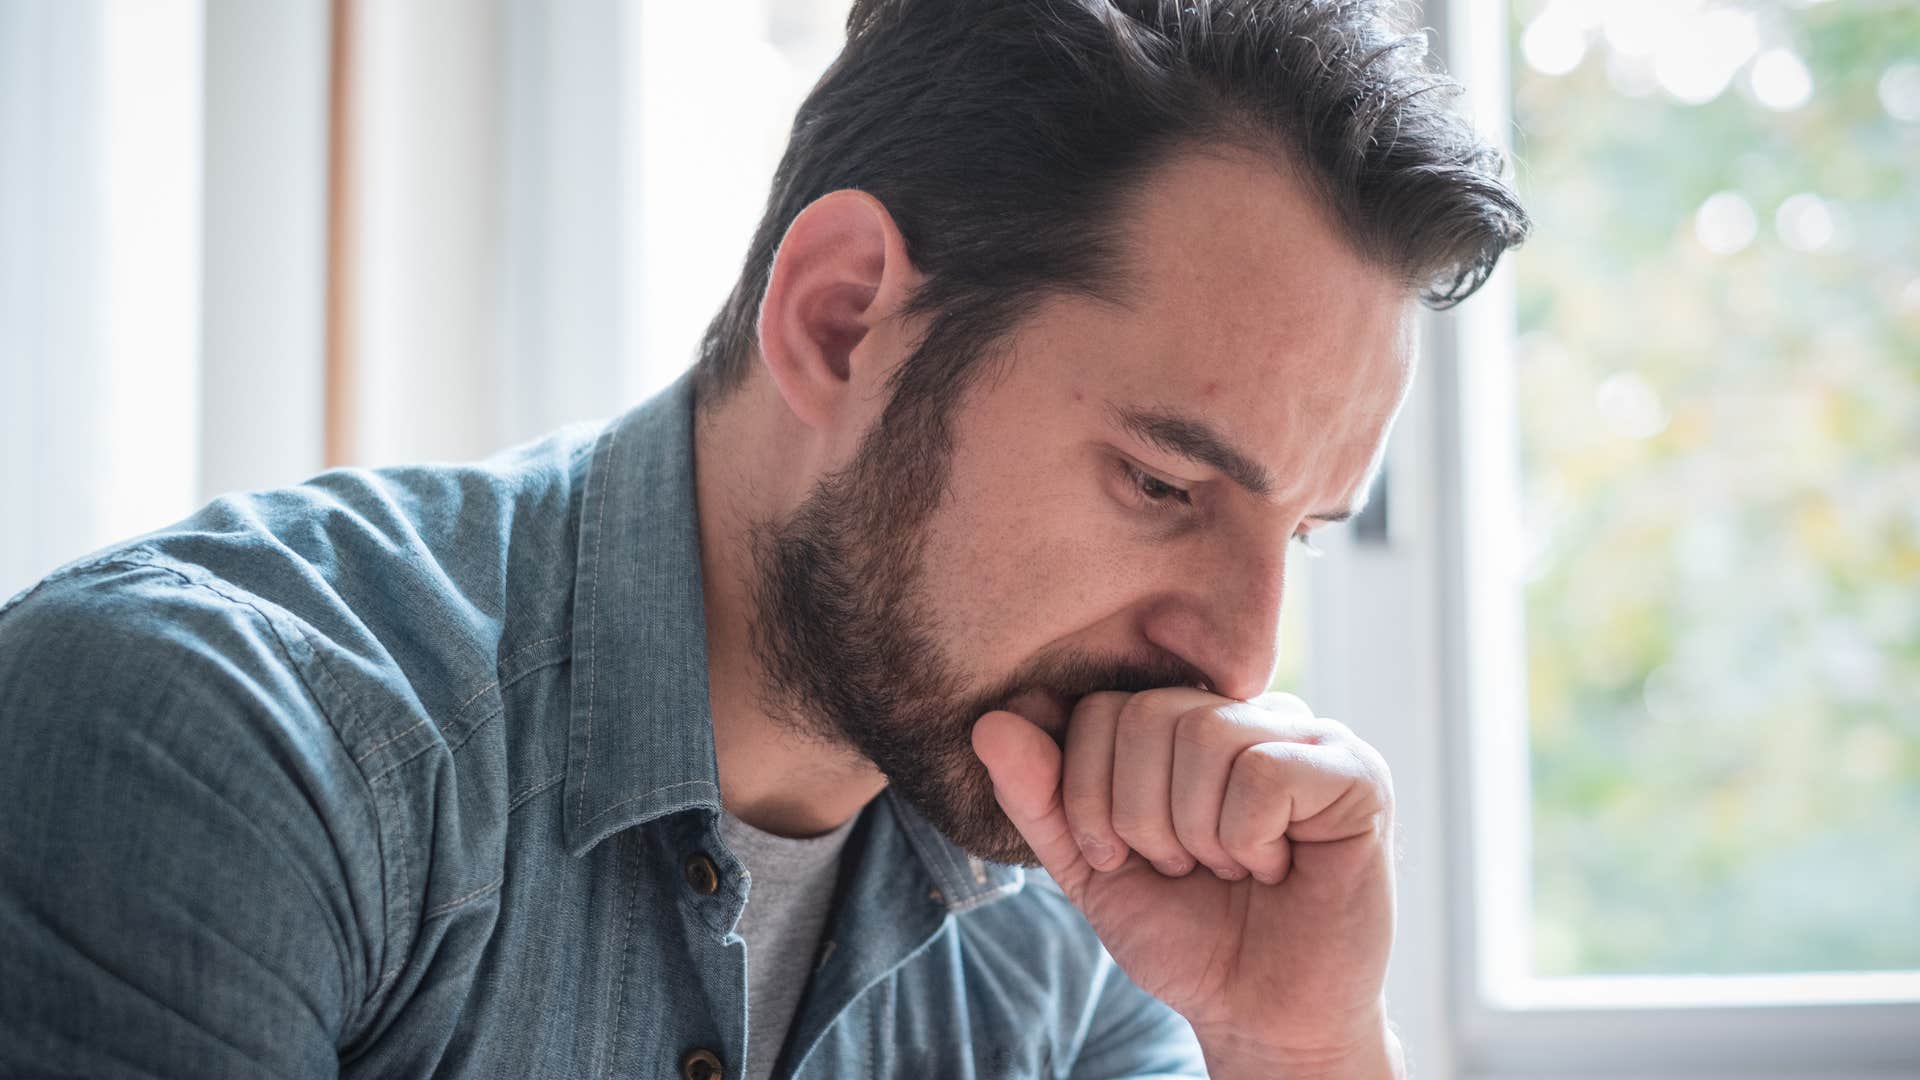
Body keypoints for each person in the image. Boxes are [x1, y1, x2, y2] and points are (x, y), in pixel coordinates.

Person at [0, 1, 1527, 1076]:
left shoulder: (1085, 918)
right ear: (842, 320)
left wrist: (1295, 1044)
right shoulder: (219, 747)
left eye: (1300, 534)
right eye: (1162, 484)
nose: (1241, 658)